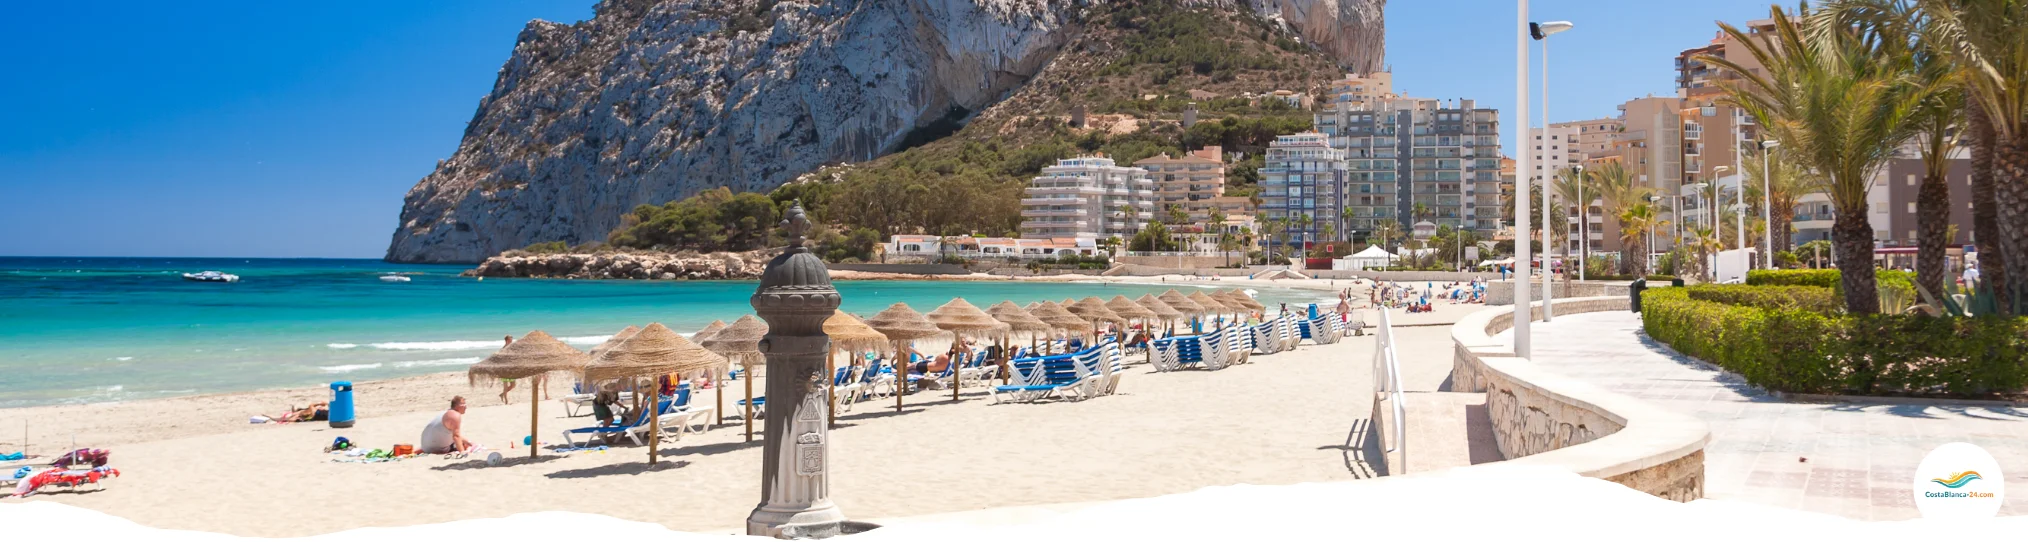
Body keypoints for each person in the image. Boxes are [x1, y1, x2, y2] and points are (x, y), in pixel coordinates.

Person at [498, 335, 517, 404]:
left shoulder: (511, 348)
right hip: (504, 370)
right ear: (507, 340)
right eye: (510, 340)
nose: (511, 341)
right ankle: (506, 401)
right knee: (505, 386)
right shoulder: (503, 349)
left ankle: (502, 394)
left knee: (513, 385)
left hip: (511, 370)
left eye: (511, 340)